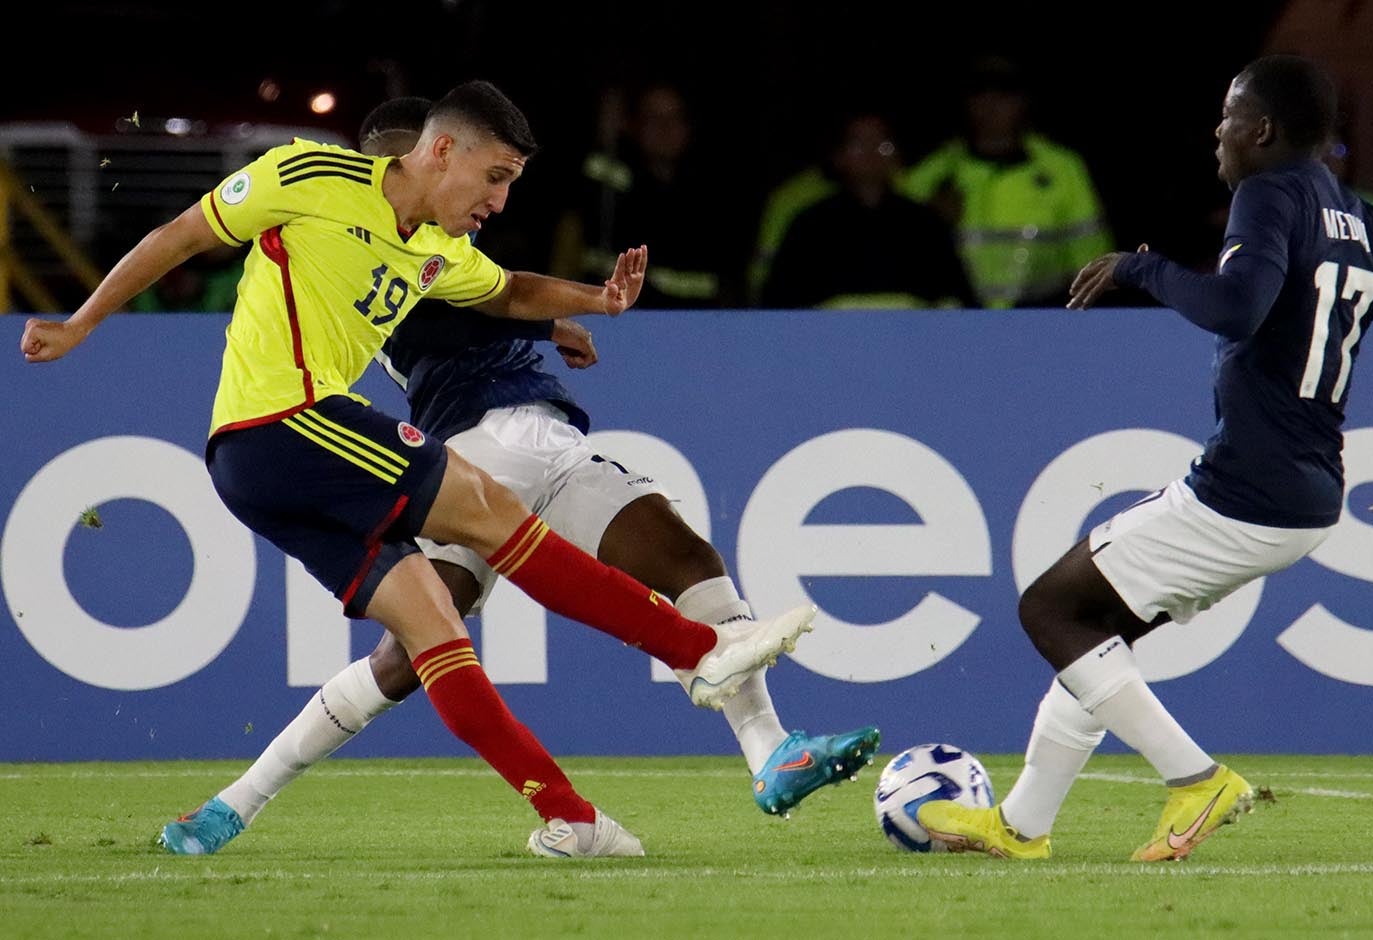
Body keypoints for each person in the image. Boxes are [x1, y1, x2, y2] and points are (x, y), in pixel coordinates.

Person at [20, 80, 817, 859]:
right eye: (494, 177)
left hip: (264, 468)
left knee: (432, 630)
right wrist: (80, 324)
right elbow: (182, 235)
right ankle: (694, 651)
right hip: (283, 421)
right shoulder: (308, 173)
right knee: (490, 510)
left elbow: (508, 291)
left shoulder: (436, 252)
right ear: (439, 152)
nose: (499, 202)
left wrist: (595, 301)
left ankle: (570, 819)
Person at [915, 55, 1373, 861]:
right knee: (1097, 640)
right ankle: (1021, 826)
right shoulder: (1370, 224)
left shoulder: (1268, 194)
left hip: (1244, 489)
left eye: (1228, 116)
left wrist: (1140, 267)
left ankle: (1195, 780)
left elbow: (1235, 308)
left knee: (1051, 610)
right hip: (1304, 494)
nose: (1217, 131)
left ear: (1262, 130)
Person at [901, 55, 1112, 308]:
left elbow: (1089, 250)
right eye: (980, 94)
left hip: (1042, 313)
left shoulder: (1061, 167)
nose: (991, 106)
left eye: (1004, 95)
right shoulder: (937, 172)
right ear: (967, 103)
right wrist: (931, 218)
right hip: (959, 316)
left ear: (1023, 102)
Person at [551, 80, 746, 309]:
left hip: (701, 316)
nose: (664, 128)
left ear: (688, 127)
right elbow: (578, 200)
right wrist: (604, 141)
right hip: (627, 314)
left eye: (674, 118)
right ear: (633, 125)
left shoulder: (714, 189)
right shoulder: (613, 179)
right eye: (653, 118)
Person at [761, 110, 975, 309]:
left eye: (882, 145)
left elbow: (958, 299)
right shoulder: (810, 225)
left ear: (896, 155)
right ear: (838, 157)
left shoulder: (924, 224)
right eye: (858, 145)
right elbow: (778, 303)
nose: (872, 153)